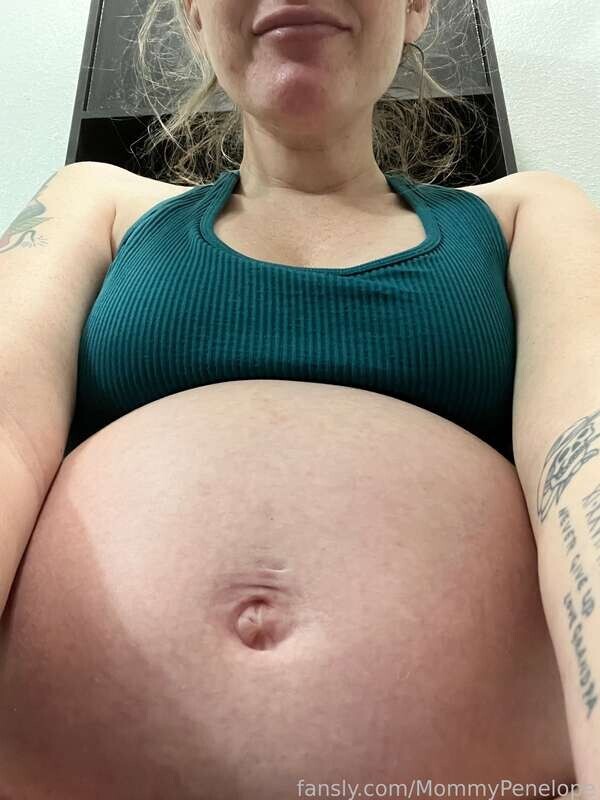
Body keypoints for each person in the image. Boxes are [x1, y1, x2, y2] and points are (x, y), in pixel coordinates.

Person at [0, 1, 582, 797]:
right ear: (195, 17)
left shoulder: (524, 215)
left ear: (415, 9)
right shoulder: (94, 204)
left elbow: (584, 456)